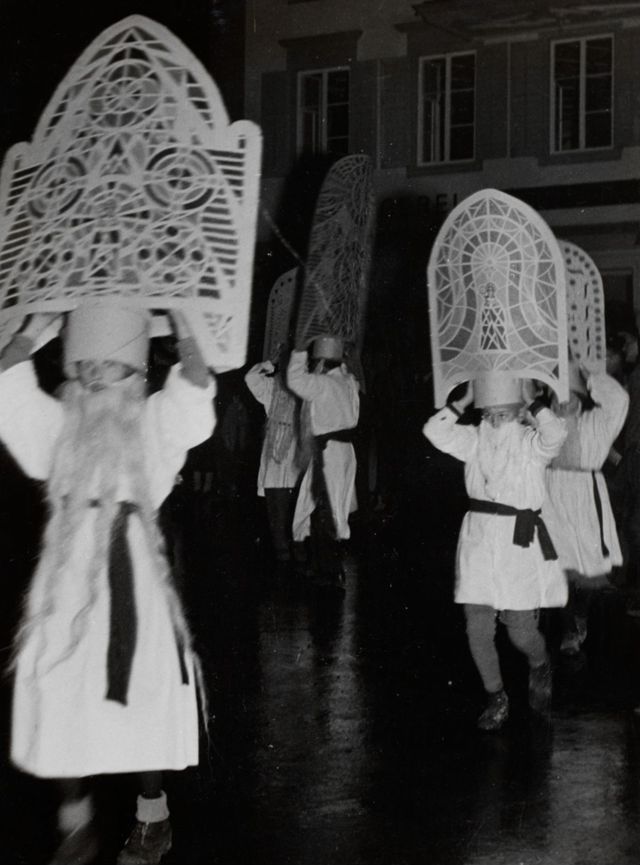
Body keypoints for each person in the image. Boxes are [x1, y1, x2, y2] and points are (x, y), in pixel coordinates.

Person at [0, 303, 215, 865]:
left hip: (135, 579)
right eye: (85, 364)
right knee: (57, 685)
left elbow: (195, 395)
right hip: (66, 579)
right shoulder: (57, 426)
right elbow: (5, 388)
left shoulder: (153, 421)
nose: (96, 374)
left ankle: (153, 819)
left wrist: (184, 324)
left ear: (137, 374)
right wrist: (33, 329)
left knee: (140, 691)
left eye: (110, 364)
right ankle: (75, 826)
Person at [423, 380, 567, 730]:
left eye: (502, 413)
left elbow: (556, 435)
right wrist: (462, 402)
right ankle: (496, 696)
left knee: (520, 631)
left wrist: (534, 403)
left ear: (518, 412)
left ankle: (540, 662)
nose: (494, 420)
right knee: (477, 627)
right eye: (488, 413)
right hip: (479, 539)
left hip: (517, 543)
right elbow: (434, 431)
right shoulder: (474, 439)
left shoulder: (530, 442)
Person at [542, 365, 628, 655]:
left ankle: (580, 613)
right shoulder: (543, 423)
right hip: (551, 495)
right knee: (558, 564)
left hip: (586, 497)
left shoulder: (597, 423)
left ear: (580, 400)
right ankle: (569, 629)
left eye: (569, 397)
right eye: (556, 398)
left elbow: (619, 399)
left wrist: (588, 376)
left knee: (591, 567)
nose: (562, 403)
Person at [286, 336, 359, 589]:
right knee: (329, 505)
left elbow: (295, 380)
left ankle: (328, 570)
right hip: (342, 452)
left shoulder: (323, 384)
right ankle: (323, 565)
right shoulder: (349, 382)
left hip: (329, 455)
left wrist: (298, 351)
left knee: (324, 507)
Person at [245, 346, 302, 570]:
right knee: (274, 502)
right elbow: (250, 378)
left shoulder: (302, 388)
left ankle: (295, 549)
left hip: (296, 447)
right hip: (274, 448)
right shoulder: (271, 386)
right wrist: (268, 365)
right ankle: (281, 553)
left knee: (294, 503)